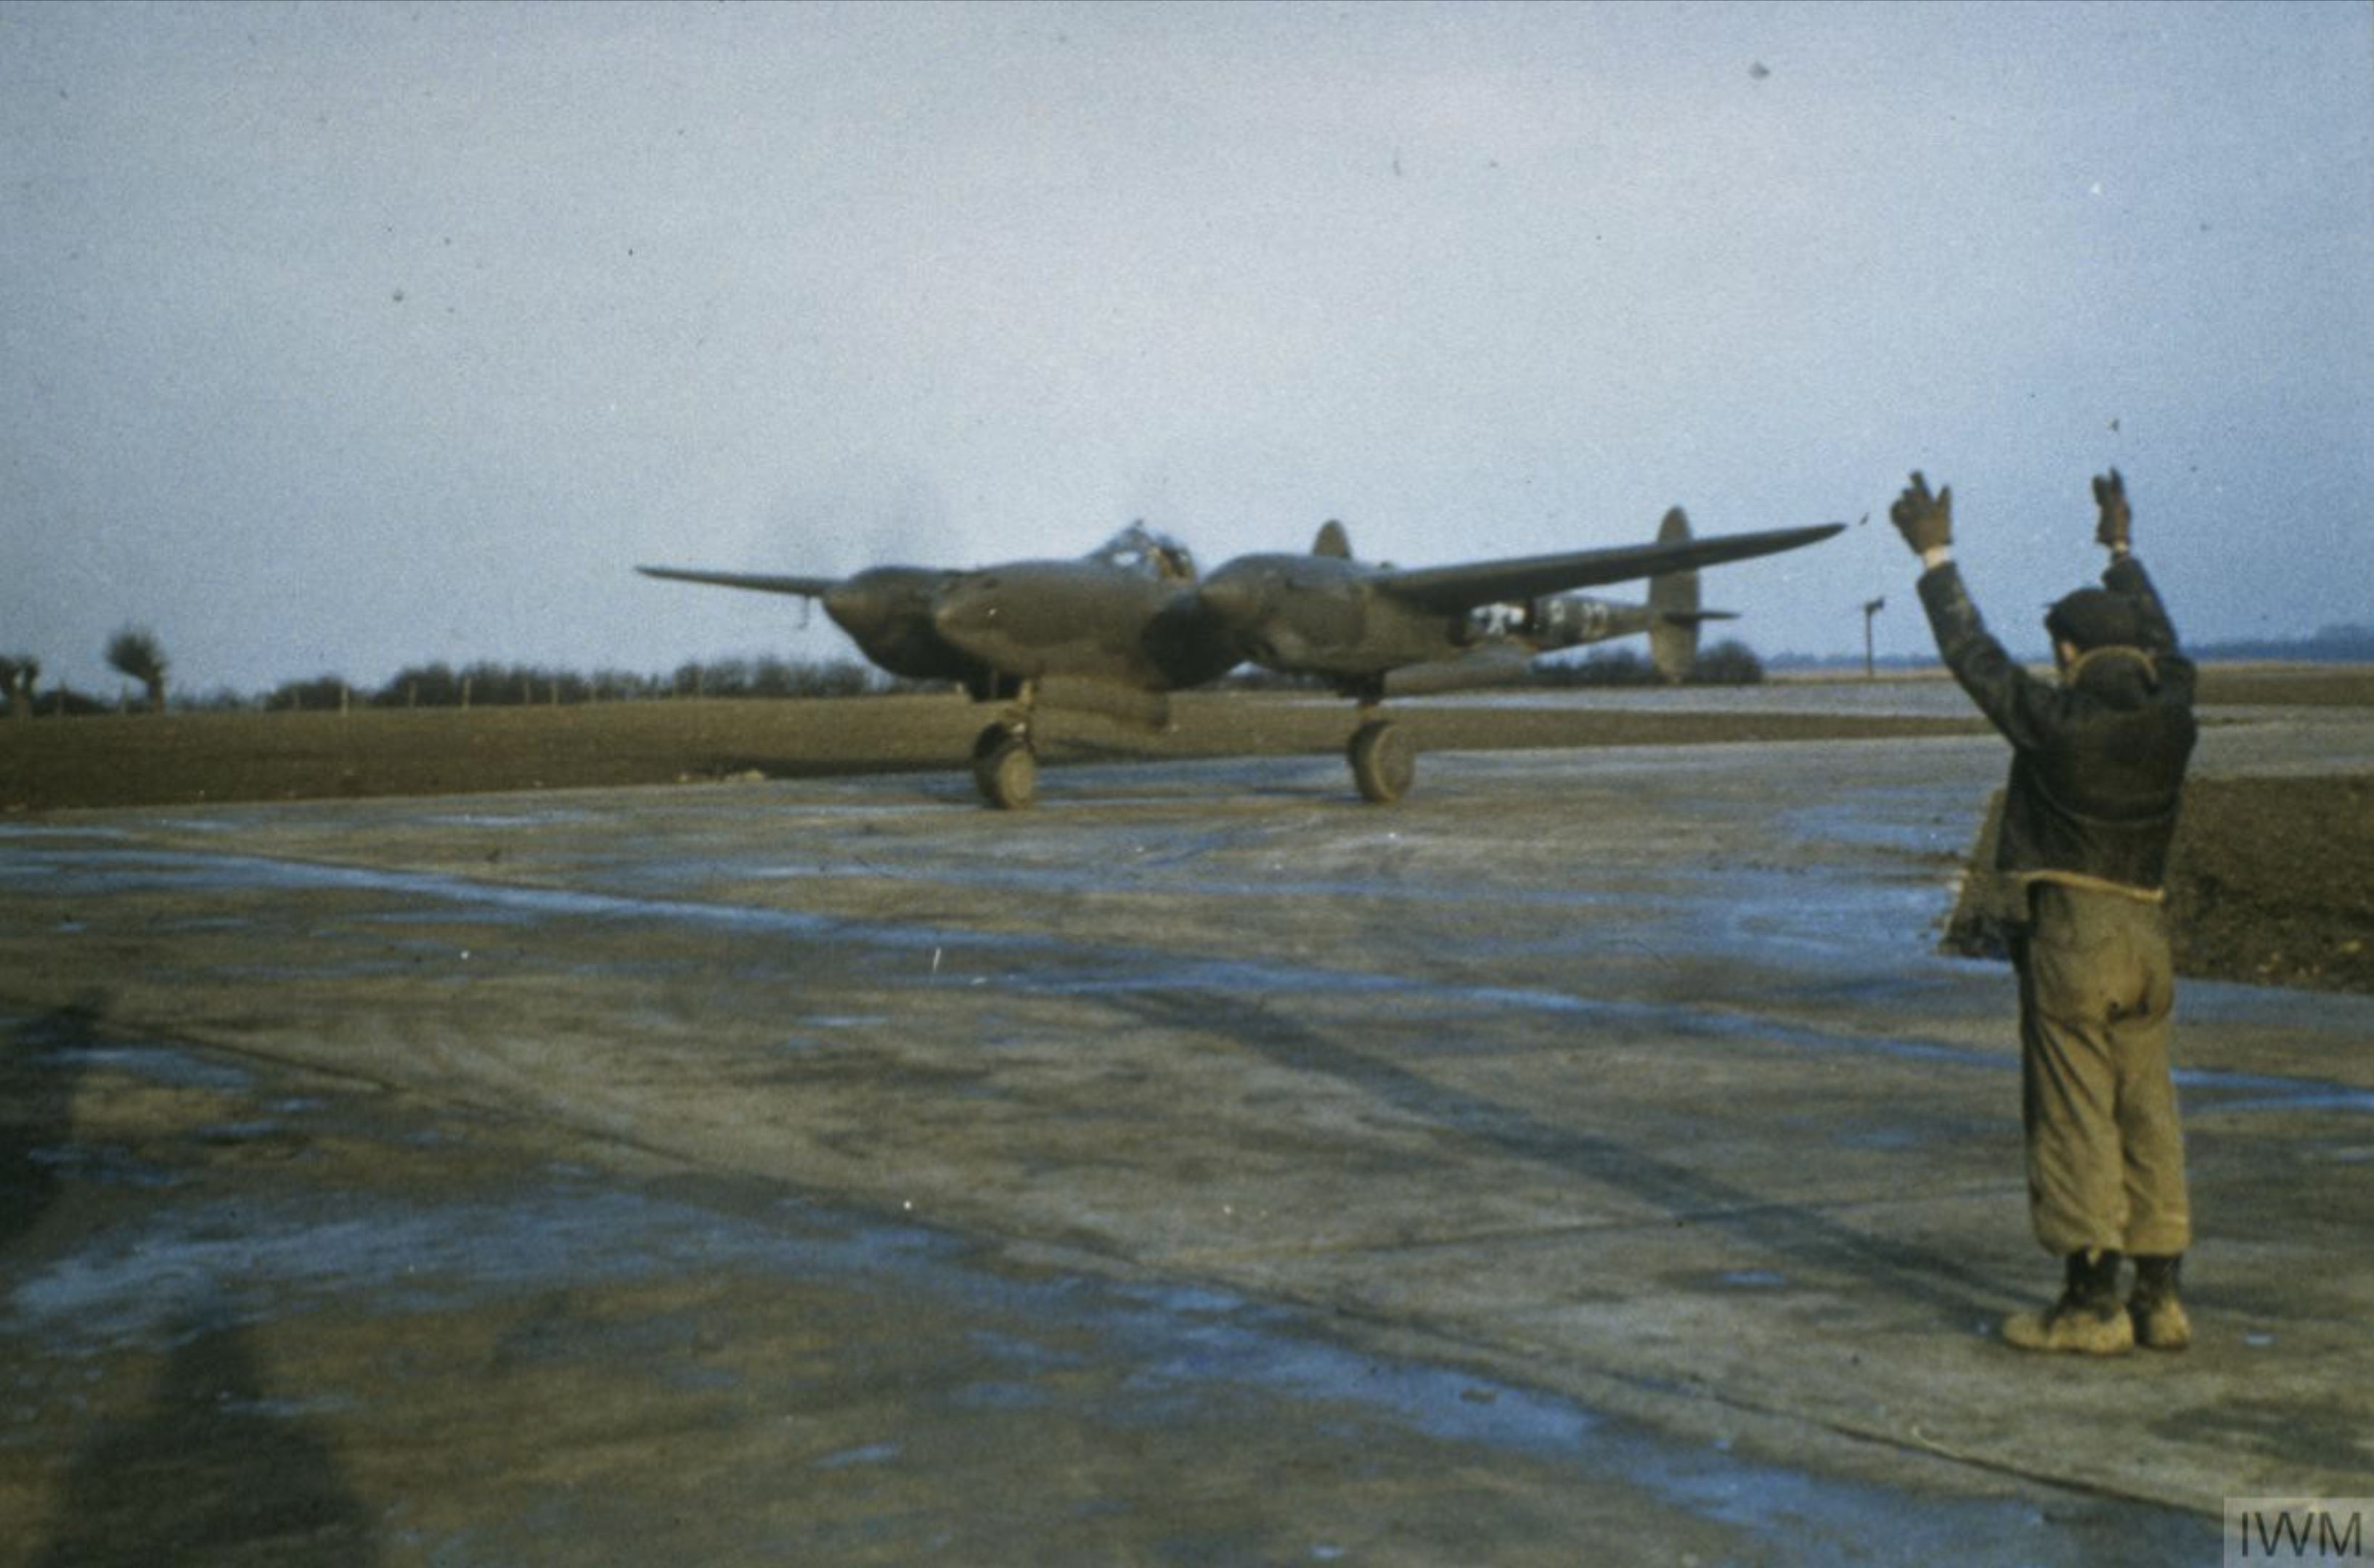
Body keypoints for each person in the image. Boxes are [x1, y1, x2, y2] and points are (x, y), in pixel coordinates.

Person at [1890, 468, 2198, 1356]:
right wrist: (2122, 553)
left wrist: (1936, 556)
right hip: (2148, 930)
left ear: (2067, 654)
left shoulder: (2057, 724)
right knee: (2148, 1108)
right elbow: (2169, 645)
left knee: (2073, 1112)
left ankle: (2090, 1307)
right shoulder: (2174, 715)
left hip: (2074, 932)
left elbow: (1974, 659)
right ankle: (2162, 1299)